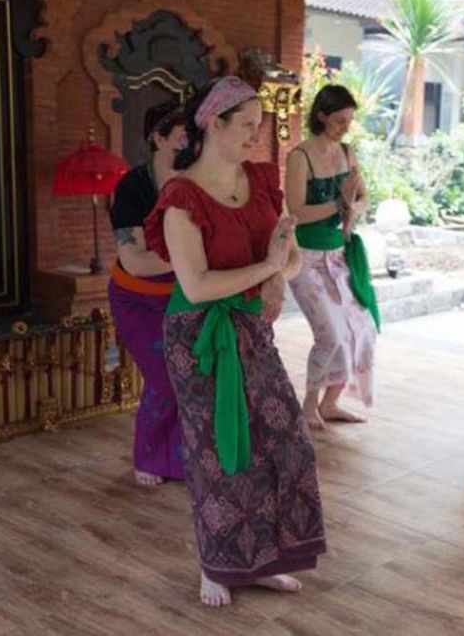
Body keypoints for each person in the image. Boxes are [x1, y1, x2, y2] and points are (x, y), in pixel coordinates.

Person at [144, 77, 326, 606]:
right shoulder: (181, 197)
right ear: (213, 125)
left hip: (251, 326)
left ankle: (263, 557)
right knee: (219, 450)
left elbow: (286, 256)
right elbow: (196, 284)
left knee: (285, 441)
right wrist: (267, 266)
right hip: (198, 334)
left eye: (259, 125)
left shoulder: (262, 179)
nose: (257, 135)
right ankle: (216, 563)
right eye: (247, 125)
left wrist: (277, 268)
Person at [285, 84, 378, 431]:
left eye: (349, 121)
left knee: (362, 329)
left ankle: (331, 402)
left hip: (338, 255)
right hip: (305, 258)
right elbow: (296, 210)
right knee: (332, 335)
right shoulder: (301, 156)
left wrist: (354, 206)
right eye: (339, 120)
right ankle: (308, 406)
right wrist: (338, 204)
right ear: (321, 115)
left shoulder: (347, 153)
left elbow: (365, 197)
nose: (345, 127)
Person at [108, 100, 186, 486]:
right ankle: (150, 456)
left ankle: (182, 459)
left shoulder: (195, 181)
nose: (191, 140)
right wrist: (190, 258)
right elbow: (136, 261)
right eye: (183, 132)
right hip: (137, 297)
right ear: (158, 138)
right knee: (164, 376)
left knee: (188, 374)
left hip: (183, 294)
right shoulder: (133, 186)